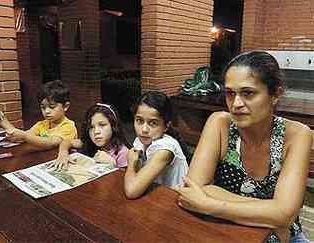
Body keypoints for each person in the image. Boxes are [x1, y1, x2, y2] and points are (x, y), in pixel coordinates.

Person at [175, 51, 312, 243]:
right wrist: (272, 213)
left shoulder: (297, 135)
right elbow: (193, 188)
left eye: (248, 93)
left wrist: (207, 204)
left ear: (275, 94)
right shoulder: (220, 124)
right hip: (226, 229)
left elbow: (285, 215)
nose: (236, 104)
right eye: (230, 93)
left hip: (283, 236)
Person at [124, 91, 190, 199]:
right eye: (139, 120)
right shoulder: (140, 141)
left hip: (175, 202)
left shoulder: (165, 148)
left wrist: (131, 163)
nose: (144, 130)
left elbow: (131, 191)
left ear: (166, 126)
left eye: (153, 123)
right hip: (154, 196)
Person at [0, 80, 78, 150]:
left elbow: (50, 143)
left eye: (52, 107)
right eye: (43, 107)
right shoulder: (42, 124)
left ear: (66, 106)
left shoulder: (68, 126)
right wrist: (2, 120)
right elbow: (23, 136)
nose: (46, 111)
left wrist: (24, 136)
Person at [51, 103, 130, 170]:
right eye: (91, 127)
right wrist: (63, 154)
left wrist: (113, 165)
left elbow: (126, 180)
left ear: (113, 126)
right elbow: (66, 142)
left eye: (102, 125)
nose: (96, 132)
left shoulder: (122, 152)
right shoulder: (89, 142)